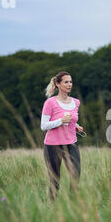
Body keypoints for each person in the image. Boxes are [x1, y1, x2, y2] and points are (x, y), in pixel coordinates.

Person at [40, 71, 84, 200]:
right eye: (66, 82)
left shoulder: (76, 102)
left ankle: (73, 206)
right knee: (55, 180)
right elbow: (44, 125)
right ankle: (50, 206)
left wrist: (76, 126)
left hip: (71, 144)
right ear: (58, 84)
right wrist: (61, 121)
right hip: (53, 146)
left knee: (75, 176)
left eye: (71, 82)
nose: (69, 84)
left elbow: (71, 120)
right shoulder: (50, 103)